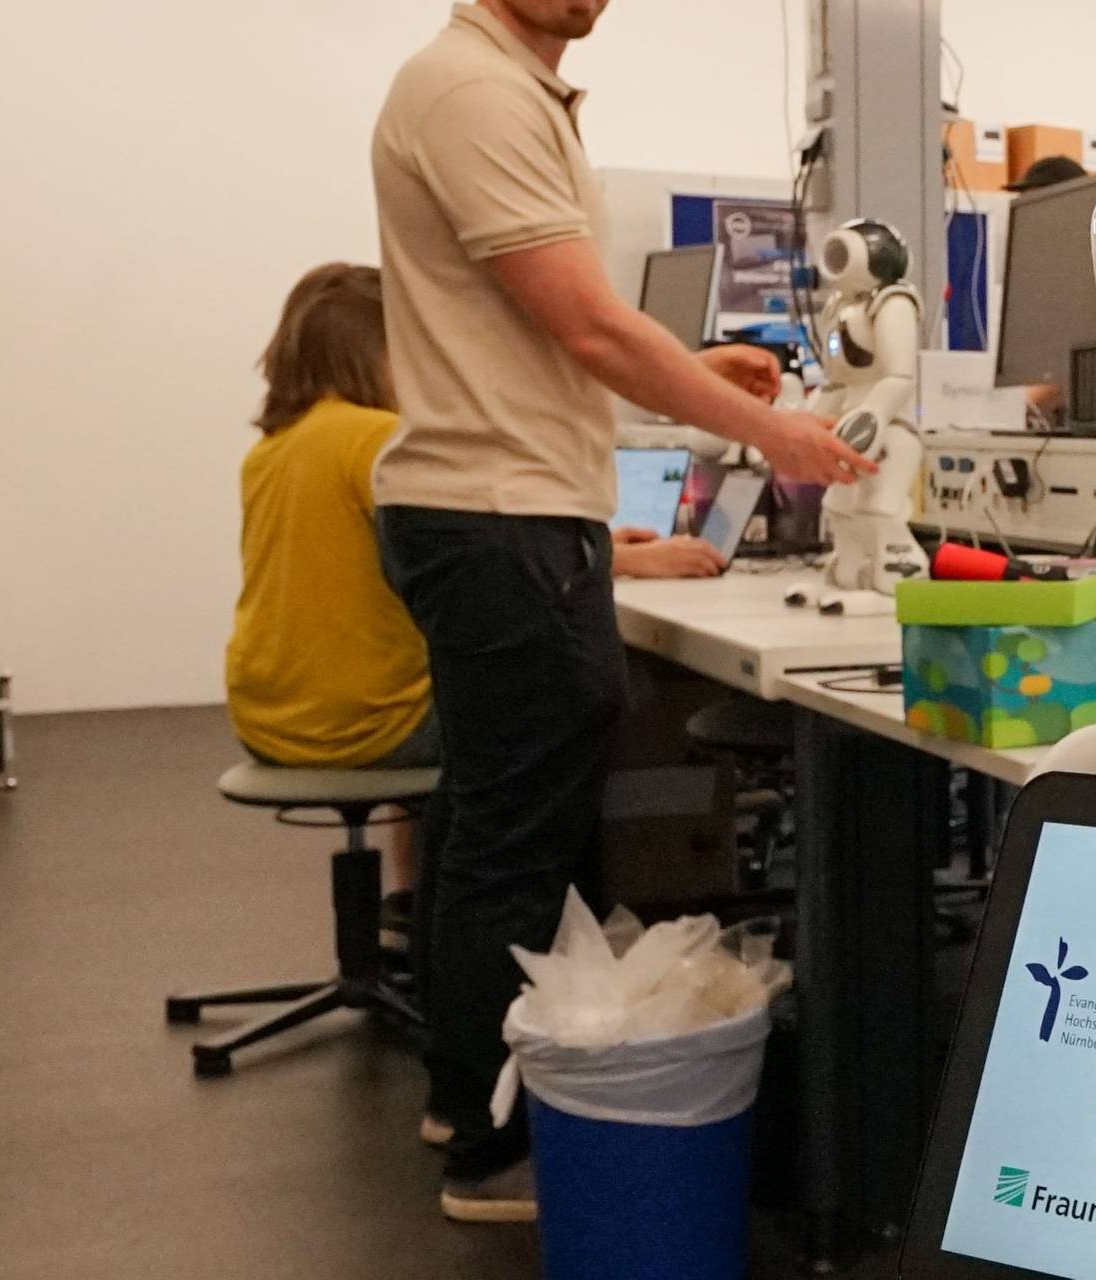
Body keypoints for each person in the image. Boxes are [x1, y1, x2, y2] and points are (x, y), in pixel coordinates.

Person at [368, 0, 872, 1222]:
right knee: (515, 833)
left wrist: (702, 368)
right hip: (499, 512)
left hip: (504, 511)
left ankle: (461, 1095)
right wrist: (763, 430)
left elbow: (541, 320)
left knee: (492, 814)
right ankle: (491, 1153)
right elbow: (585, 322)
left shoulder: (505, 91)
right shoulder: (474, 90)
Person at [223, 264, 437, 939]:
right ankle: (464, 930)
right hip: (366, 725)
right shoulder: (373, 438)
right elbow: (473, 549)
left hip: (269, 718)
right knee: (542, 708)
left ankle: (410, 904)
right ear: (374, 352)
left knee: (436, 686)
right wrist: (623, 557)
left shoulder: (270, 453)